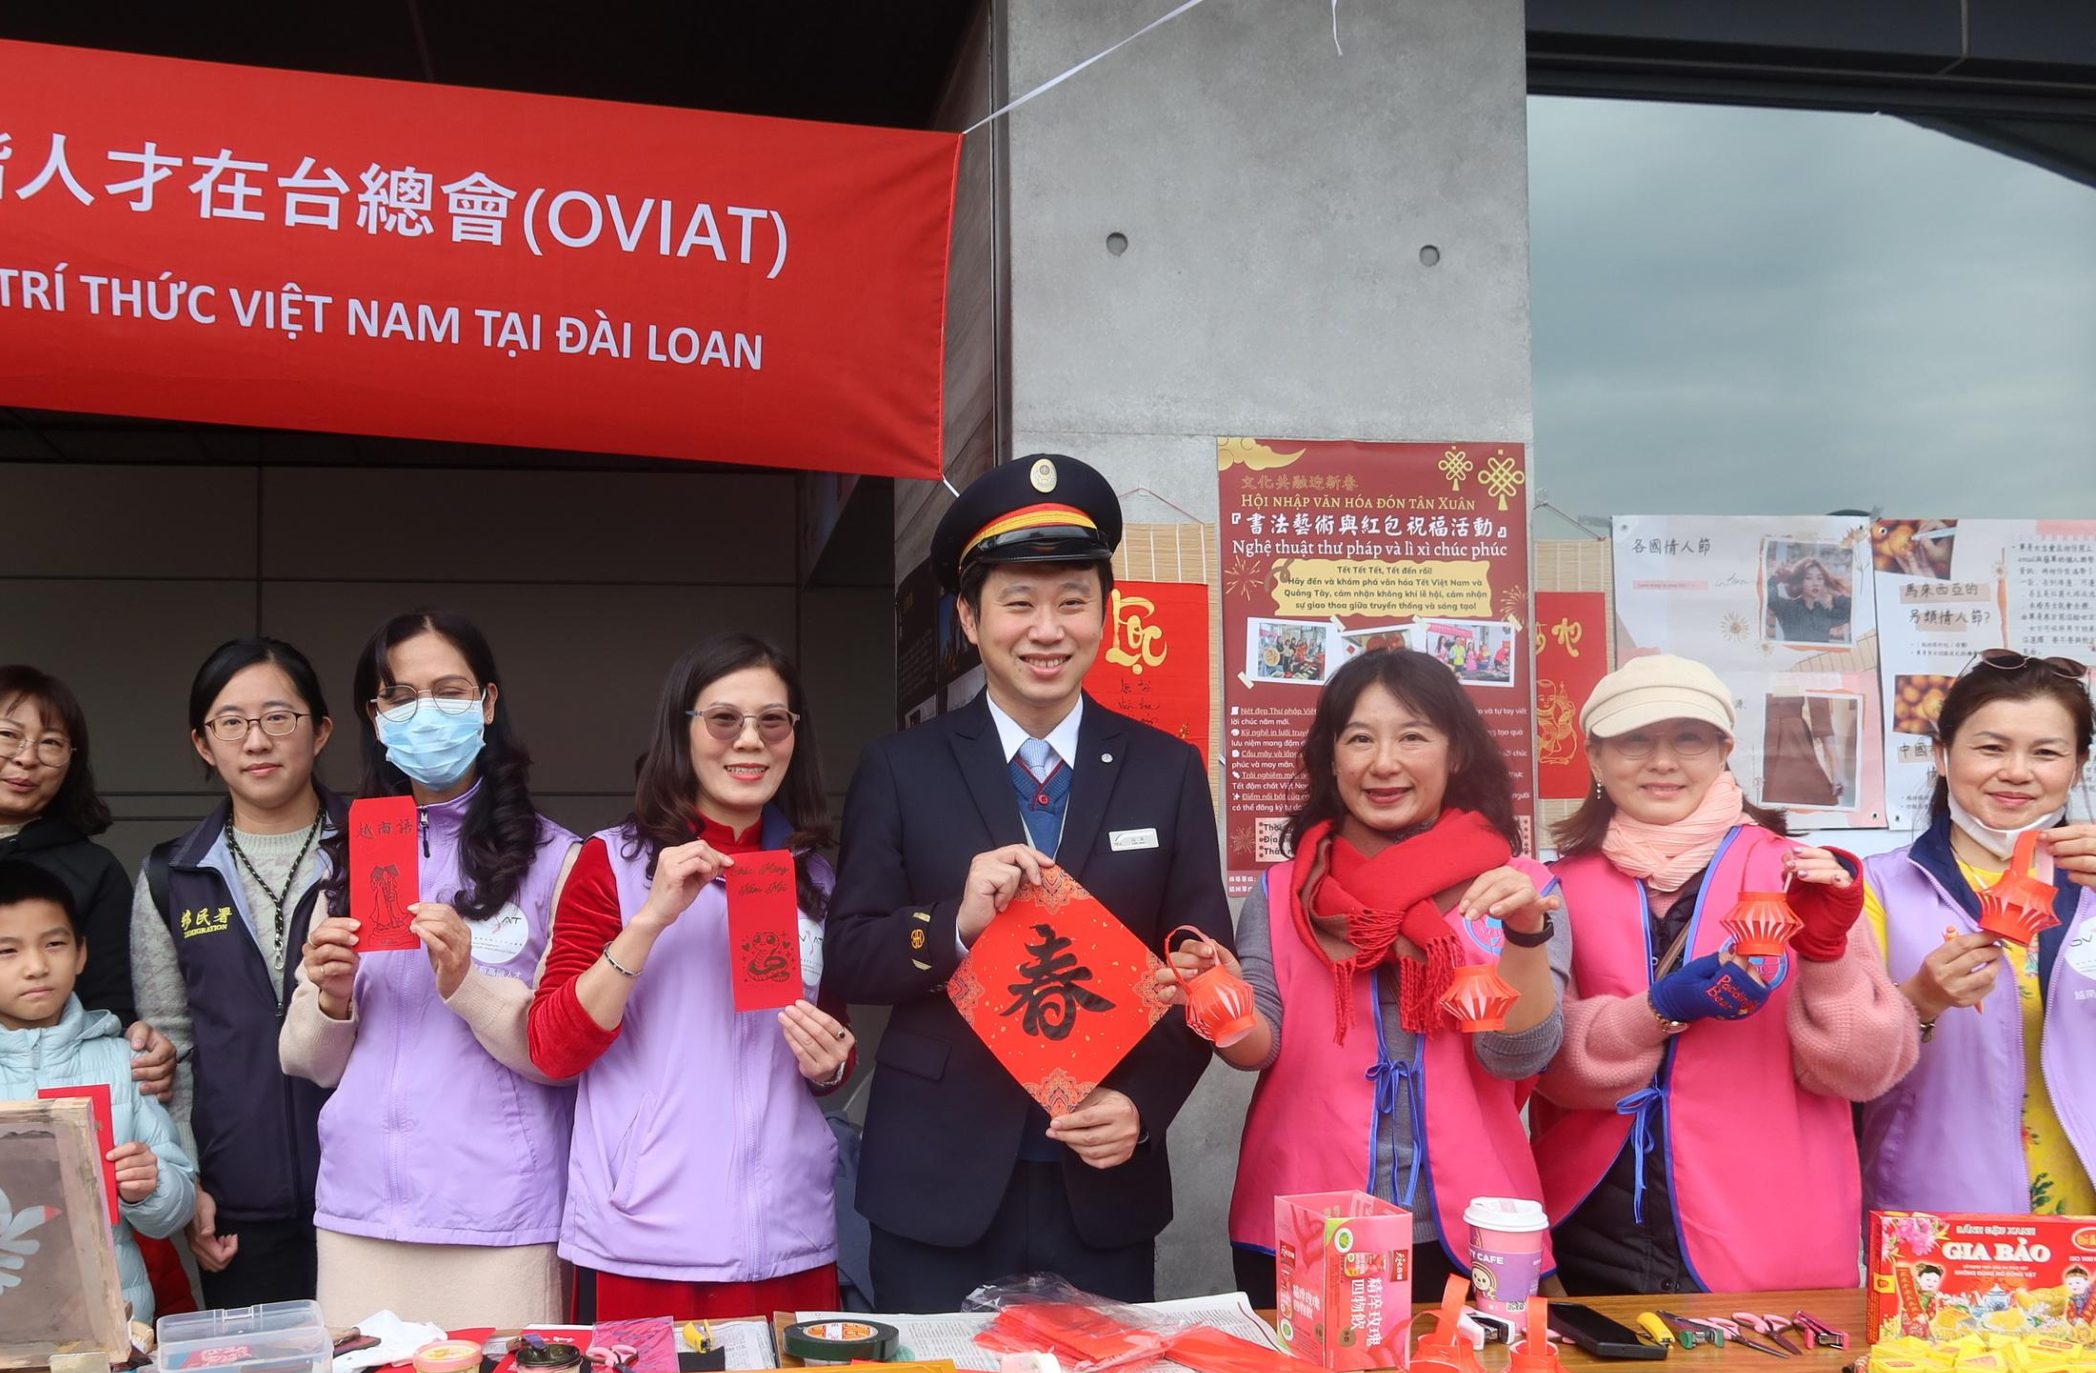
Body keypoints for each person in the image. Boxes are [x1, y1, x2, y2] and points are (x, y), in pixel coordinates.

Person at [831, 453, 1229, 1315]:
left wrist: (1144, 1104)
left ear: (1105, 616)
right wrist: (953, 924)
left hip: (1101, 1180)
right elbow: (852, 955)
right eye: (1018, 602)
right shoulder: (900, 769)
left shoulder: (1166, 771)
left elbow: (1204, 972)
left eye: (1072, 601)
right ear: (969, 619)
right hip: (935, 1181)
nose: (1046, 629)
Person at [1161, 649, 1562, 1302]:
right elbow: (1257, 1049)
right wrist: (1217, 993)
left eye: (1413, 736)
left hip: (1473, 1226)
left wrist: (1523, 934)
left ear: (1457, 752)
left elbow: (1517, 1056)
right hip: (1307, 1220)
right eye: (1359, 739)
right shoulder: (1285, 891)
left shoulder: (1519, 888)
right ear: (1331, 758)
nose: (1384, 763)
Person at [1532, 655, 1912, 1293]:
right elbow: (1542, 1067)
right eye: (1634, 740)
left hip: (1769, 1230)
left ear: (1724, 752)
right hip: (1593, 1227)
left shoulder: (1801, 875)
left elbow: (1864, 1071)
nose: (1662, 761)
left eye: (1688, 738)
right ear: (1595, 758)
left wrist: (1826, 954)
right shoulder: (1553, 889)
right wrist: (1655, 1010)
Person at [527, 632, 853, 1321]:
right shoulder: (612, 863)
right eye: (723, 719)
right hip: (643, 1243)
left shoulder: (816, 878)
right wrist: (650, 920)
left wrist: (830, 1064)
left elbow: (831, 1046)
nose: (750, 740)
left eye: (773, 720)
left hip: (789, 1238)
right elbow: (552, 1047)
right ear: (682, 731)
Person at [280, 611, 579, 1330]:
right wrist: (331, 997)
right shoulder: (347, 861)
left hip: (500, 1216)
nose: (427, 712)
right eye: (401, 696)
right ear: (375, 716)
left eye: (449, 691)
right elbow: (307, 1062)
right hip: (359, 1213)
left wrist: (466, 984)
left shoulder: (556, 860)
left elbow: (563, 1052)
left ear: (488, 703)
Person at [133, 638, 342, 1310]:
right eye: (231, 722)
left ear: (321, 730)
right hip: (237, 1204)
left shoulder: (378, 851)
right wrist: (189, 1179)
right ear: (203, 743)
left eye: (279, 717)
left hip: (373, 1193)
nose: (257, 740)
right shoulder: (170, 875)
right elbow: (170, 1046)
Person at [1863, 650, 2096, 1216]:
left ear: (2078, 766)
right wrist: (1919, 1002)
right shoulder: (1877, 888)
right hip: (1939, 1216)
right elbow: (1839, 1068)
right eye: (1991, 748)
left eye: (2046, 753)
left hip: (2082, 1215)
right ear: (1941, 755)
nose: (2016, 771)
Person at [0, 861, 195, 1325]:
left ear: (80, 954)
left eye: (54, 944)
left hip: (112, 1316)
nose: (36, 966)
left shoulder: (124, 1061)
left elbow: (174, 1210)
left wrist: (150, 1187)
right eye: (7, 951)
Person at [0, 665, 140, 1022]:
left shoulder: (94, 870)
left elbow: (111, 1008)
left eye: (51, 743)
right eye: (7, 735)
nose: (27, 758)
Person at [1768, 560, 1851, 644]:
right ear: (1800, 581)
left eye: (1819, 578)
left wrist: (1832, 592)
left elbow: (1851, 611)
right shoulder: (1788, 608)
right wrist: (1776, 578)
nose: (1815, 583)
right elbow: (1769, 597)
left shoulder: (1826, 614)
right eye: (1808, 578)